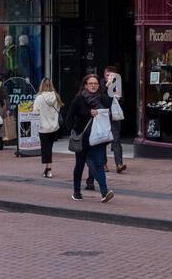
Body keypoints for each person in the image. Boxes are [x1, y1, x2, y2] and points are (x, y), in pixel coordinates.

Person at [65, 73, 114, 203]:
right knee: (80, 164)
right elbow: (69, 117)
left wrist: (108, 88)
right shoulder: (79, 99)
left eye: (96, 84)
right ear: (85, 85)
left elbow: (110, 104)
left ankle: (105, 192)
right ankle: (76, 192)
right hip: (83, 137)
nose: (93, 86)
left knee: (98, 163)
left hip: (97, 136)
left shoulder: (101, 98)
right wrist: (87, 115)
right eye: (91, 83)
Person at [34, 78, 62, 179]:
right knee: (49, 148)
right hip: (54, 127)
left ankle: (49, 169)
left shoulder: (39, 98)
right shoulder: (56, 96)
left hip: (43, 127)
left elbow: (35, 112)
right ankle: (47, 169)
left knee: (46, 149)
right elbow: (58, 109)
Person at [104, 65, 127, 174]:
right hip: (103, 115)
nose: (109, 77)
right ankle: (103, 164)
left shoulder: (117, 85)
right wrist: (107, 86)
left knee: (116, 139)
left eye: (111, 76)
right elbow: (99, 97)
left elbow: (123, 99)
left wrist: (118, 98)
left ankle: (119, 164)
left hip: (114, 116)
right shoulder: (98, 83)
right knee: (102, 140)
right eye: (107, 75)